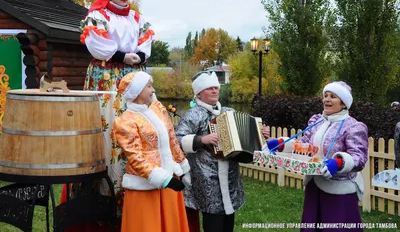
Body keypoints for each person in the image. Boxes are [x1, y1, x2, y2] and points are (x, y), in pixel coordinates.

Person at [60, 0, 154, 231]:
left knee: (135, 125)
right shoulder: (97, 15)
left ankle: (134, 186)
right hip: (106, 76)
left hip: (133, 75)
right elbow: (97, 43)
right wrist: (122, 55)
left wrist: (138, 56)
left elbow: (146, 40)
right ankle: (101, 196)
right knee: (106, 128)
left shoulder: (136, 17)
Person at [267, 81, 368, 231]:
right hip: (314, 186)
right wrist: (281, 144)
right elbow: (304, 143)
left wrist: (338, 163)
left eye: (333, 96)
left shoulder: (354, 126)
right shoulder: (317, 121)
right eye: (325, 95)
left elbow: (359, 157)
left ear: (344, 103)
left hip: (338, 192)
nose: (326, 99)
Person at [175, 71, 270, 232]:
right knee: (213, 220)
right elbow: (177, 139)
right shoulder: (193, 114)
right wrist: (201, 140)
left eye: (216, 88)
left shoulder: (229, 111)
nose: (214, 91)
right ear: (198, 94)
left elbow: (246, 135)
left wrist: (261, 134)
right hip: (207, 179)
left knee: (228, 221)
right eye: (209, 88)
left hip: (231, 176)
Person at [113, 71, 190, 232]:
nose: (153, 90)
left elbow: (171, 139)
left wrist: (182, 168)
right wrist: (164, 180)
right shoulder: (125, 121)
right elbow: (136, 158)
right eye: (149, 86)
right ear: (137, 91)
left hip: (169, 183)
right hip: (145, 189)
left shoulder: (156, 110)